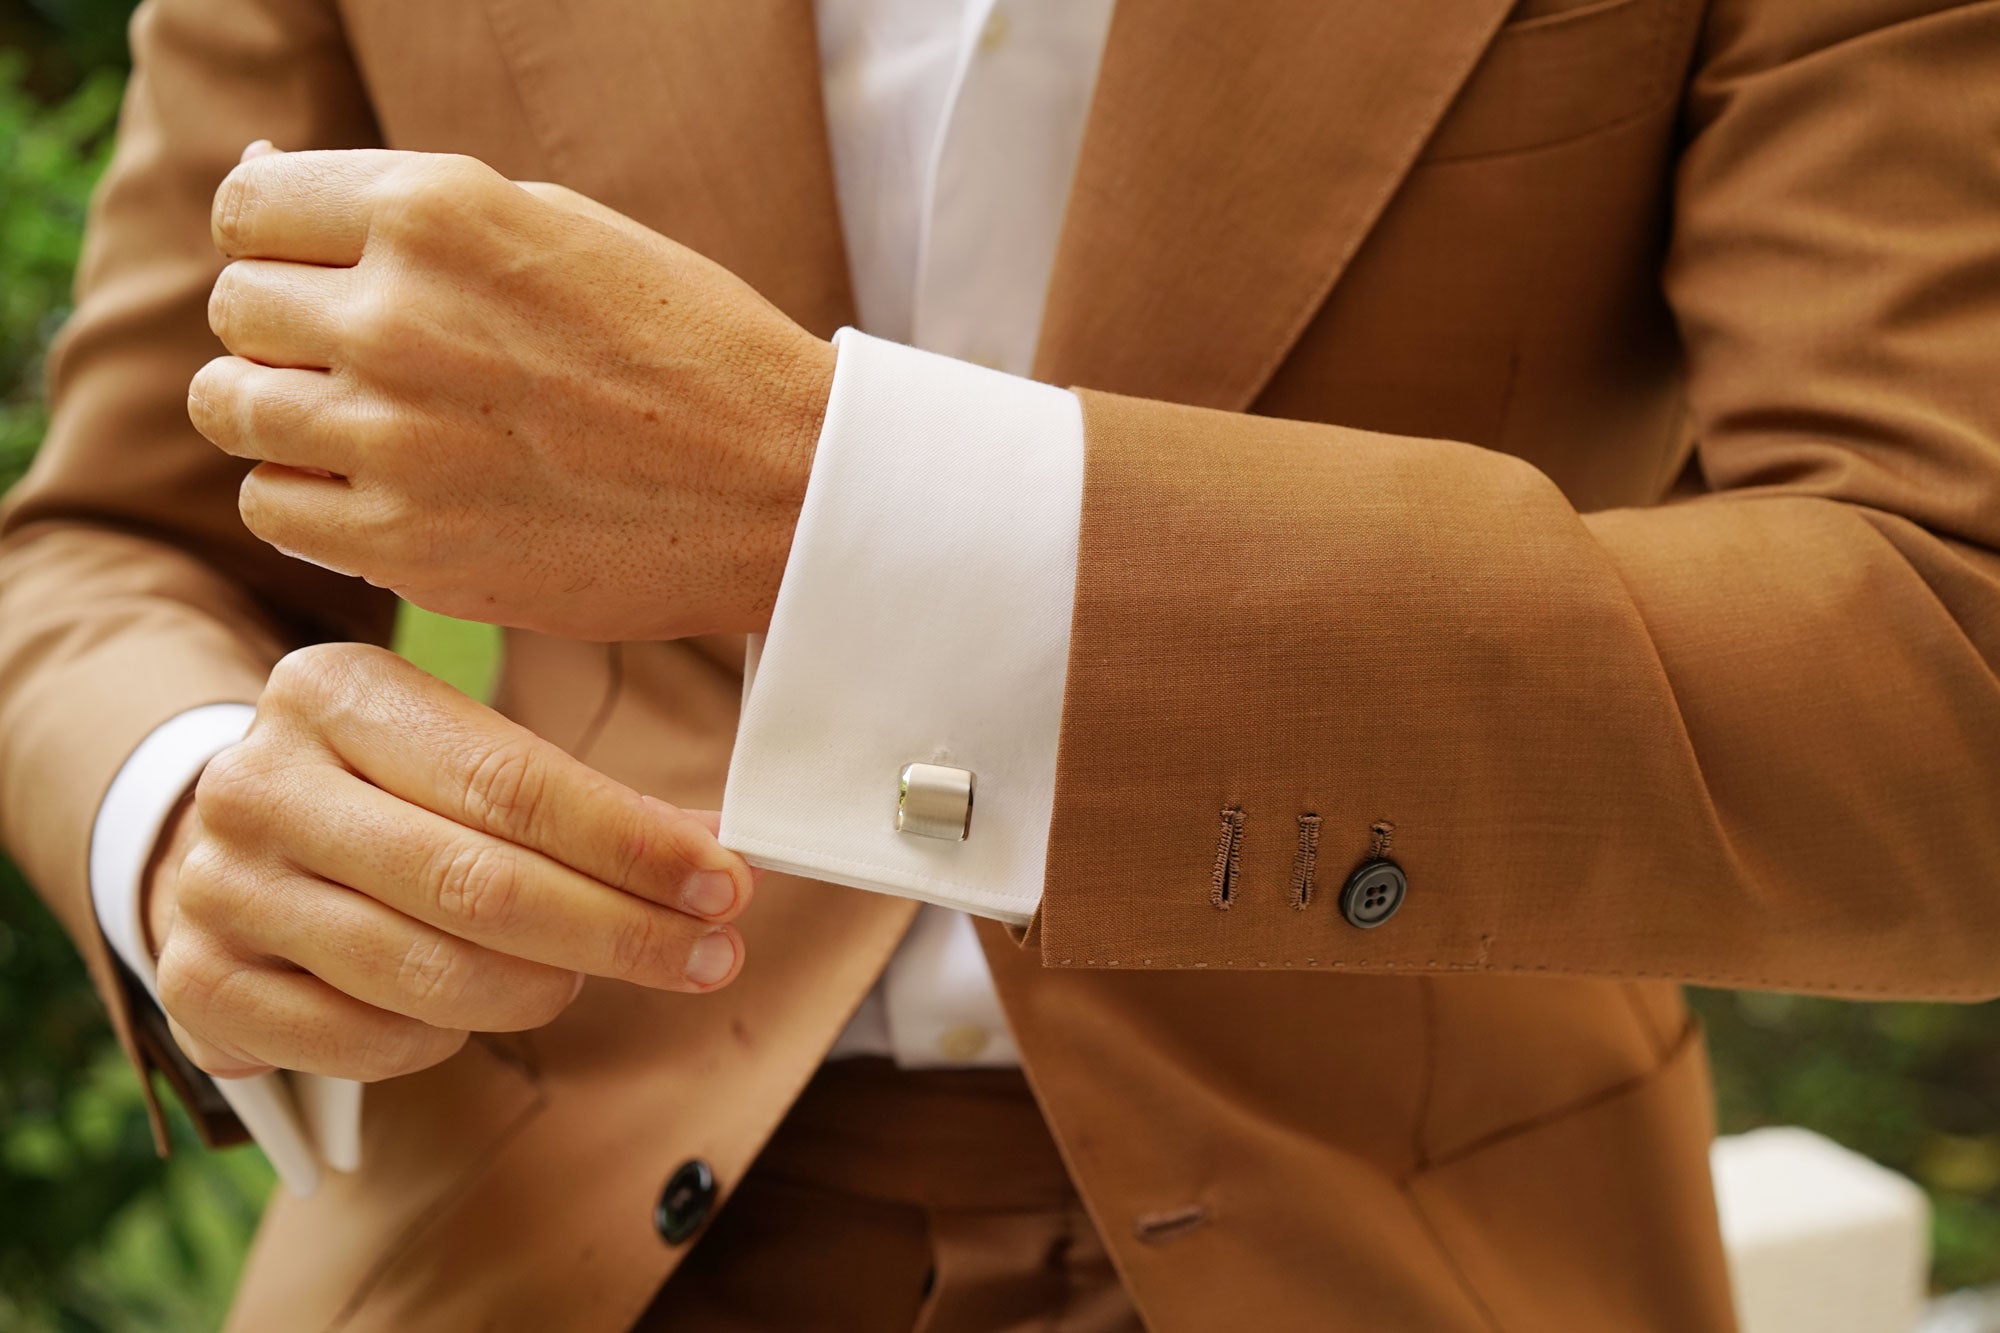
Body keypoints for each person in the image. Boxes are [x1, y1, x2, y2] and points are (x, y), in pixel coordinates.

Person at [4, 0, 1997, 1327]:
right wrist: (188, 811)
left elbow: (1946, 665)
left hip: (1412, 1237)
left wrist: (835, 496)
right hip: (540, 1229)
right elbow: (105, 548)